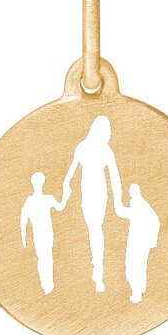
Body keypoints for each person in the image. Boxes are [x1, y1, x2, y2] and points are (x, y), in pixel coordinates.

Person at [60, 115, 124, 292]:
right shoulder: (88, 148)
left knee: (95, 229)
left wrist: (118, 203)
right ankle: (96, 269)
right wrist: (65, 189)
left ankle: (98, 272)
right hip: (88, 193)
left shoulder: (101, 149)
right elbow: (70, 173)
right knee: (93, 229)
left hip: (97, 194)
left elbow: (115, 178)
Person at [116, 183, 160, 303]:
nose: (130, 194)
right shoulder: (142, 205)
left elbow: (121, 212)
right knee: (139, 266)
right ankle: (140, 290)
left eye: (131, 191)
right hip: (141, 243)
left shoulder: (139, 204)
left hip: (137, 244)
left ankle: (137, 294)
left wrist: (117, 200)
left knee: (133, 267)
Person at [20, 172, 63, 294]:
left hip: (46, 234)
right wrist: (23, 237)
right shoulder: (39, 200)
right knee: (45, 258)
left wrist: (24, 237)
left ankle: (48, 285)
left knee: (45, 258)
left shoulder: (45, 199)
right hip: (41, 234)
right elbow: (23, 220)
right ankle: (47, 285)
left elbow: (23, 220)